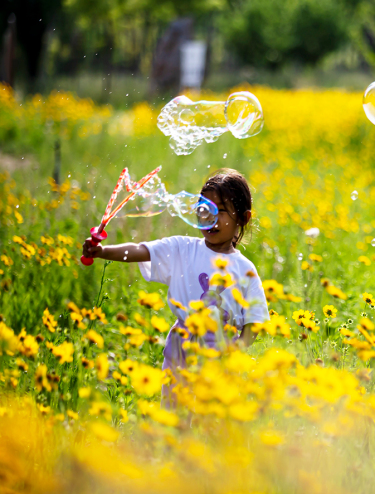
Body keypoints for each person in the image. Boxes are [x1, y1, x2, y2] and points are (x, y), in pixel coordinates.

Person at [82, 168, 270, 405]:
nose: (210, 218)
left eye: (221, 211)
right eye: (204, 210)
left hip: (221, 354)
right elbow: (142, 250)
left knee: (212, 422)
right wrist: (102, 251)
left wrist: (235, 351)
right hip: (181, 346)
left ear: (243, 218)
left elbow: (255, 322)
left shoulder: (245, 269)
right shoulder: (182, 248)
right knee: (173, 413)